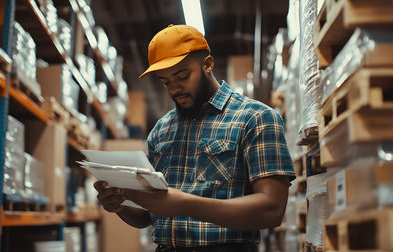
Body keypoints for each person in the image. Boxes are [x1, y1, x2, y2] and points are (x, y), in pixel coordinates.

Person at [94, 24, 295, 252]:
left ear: (207, 64)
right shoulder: (161, 130)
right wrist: (120, 205)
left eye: (182, 76)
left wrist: (185, 204)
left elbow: (271, 209)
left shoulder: (256, 118)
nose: (174, 89)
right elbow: (148, 217)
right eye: (166, 81)